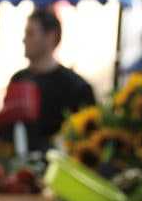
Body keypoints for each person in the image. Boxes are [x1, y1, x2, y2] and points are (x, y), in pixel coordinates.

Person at [9, 8, 95, 154]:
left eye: (30, 33)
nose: (24, 40)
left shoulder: (76, 87)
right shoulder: (18, 80)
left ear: (50, 37)